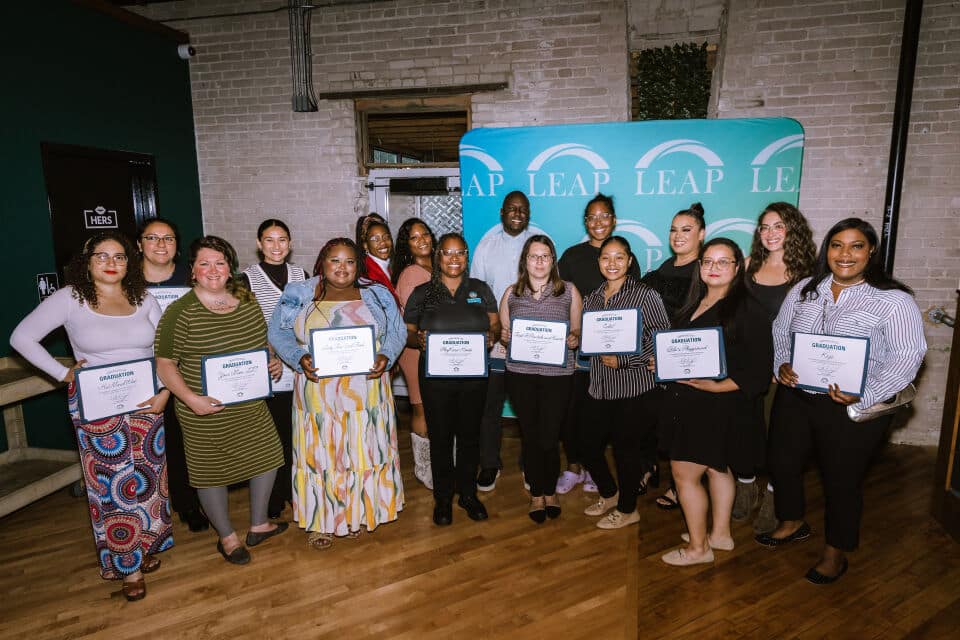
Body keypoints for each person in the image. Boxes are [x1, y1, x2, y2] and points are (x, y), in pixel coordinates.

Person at [757, 218, 926, 584]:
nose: (845, 254)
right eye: (837, 245)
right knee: (782, 462)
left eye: (856, 246)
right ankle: (792, 520)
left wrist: (865, 393)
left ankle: (836, 552)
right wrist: (782, 363)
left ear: (871, 251)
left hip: (851, 405)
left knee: (841, 479)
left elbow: (907, 357)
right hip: (797, 395)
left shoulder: (894, 301)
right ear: (827, 250)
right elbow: (781, 331)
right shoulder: (805, 289)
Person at [11, 232, 173, 601]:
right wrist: (62, 373)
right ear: (87, 262)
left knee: (147, 480)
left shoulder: (143, 297)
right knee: (112, 487)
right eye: (102, 256)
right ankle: (128, 566)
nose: (111, 263)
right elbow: (21, 338)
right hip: (98, 407)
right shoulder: (70, 298)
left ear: (129, 263)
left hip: (146, 403)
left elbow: (167, 348)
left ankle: (142, 546)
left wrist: (165, 391)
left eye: (119, 256)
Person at [155, 236, 287, 565]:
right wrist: (190, 399)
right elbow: (165, 364)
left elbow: (262, 343)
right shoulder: (179, 312)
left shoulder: (247, 301)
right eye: (204, 263)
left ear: (230, 269)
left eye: (220, 263)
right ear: (193, 271)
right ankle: (227, 537)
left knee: (268, 456)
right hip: (204, 408)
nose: (213, 270)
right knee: (210, 471)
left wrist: (272, 360)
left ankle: (259, 524)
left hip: (250, 403)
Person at [267, 238, 405, 549]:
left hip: (367, 392)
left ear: (358, 265)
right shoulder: (299, 293)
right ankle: (322, 521)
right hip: (318, 393)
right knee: (322, 455)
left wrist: (387, 355)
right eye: (335, 260)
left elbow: (397, 331)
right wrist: (297, 357)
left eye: (349, 261)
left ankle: (356, 514)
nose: (342, 268)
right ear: (322, 262)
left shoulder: (377, 293)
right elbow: (278, 331)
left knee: (362, 451)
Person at [657, 238, 773, 565]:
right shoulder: (696, 301)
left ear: (737, 268)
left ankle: (698, 549)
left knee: (684, 475)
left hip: (716, 406)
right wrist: (663, 362)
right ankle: (720, 535)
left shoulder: (749, 310)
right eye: (708, 261)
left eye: (723, 262)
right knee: (717, 468)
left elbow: (759, 371)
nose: (714, 268)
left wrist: (717, 387)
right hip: (693, 402)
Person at [404, 233, 500, 525]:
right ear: (438, 257)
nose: (454, 258)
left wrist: (491, 336)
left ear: (466, 257)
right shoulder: (422, 293)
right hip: (436, 380)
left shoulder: (480, 289)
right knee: (441, 437)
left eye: (460, 253)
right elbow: (407, 332)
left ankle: (468, 495)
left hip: (474, 377)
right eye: (447, 253)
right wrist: (418, 340)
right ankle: (443, 498)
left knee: (470, 437)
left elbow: (495, 325)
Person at [734, 203, 816, 533]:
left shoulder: (807, 275)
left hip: (784, 369)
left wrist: (784, 363)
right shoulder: (748, 265)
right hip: (745, 364)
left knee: (779, 440)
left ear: (792, 229)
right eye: (765, 227)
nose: (770, 233)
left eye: (778, 226)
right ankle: (745, 486)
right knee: (742, 431)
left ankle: (772, 494)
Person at [580, 236, 670, 529]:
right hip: (599, 386)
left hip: (634, 387)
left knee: (625, 451)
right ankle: (610, 493)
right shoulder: (592, 298)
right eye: (606, 257)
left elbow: (661, 338)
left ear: (629, 261)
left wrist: (625, 360)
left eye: (619, 257)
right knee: (586, 445)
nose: (612, 263)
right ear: (598, 262)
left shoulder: (645, 295)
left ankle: (629, 509)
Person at [557, 194, 642, 495]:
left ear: (614, 220)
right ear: (586, 222)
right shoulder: (571, 256)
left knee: (603, 415)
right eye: (592, 217)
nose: (598, 222)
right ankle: (574, 466)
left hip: (612, 354)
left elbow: (633, 306)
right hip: (578, 351)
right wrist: (572, 332)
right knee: (572, 413)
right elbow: (561, 298)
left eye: (604, 215)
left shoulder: (627, 256)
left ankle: (596, 469)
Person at [501, 235, 581, 521]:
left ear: (552, 260)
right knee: (531, 436)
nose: (539, 261)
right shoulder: (511, 293)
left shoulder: (569, 291)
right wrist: (505, 336)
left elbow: (577, 329)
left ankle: (550, 489)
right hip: (520, 376)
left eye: (545, 256)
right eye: (533, 256)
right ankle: (537, 494)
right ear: (525, 261)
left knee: (549, 436)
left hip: (557, 376)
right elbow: (504, 333)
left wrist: (574, 338)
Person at [137, 216, 209, 533]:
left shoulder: (191, 277)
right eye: (152, 238)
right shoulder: (127, 281)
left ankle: (189, 503)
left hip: (189, 371)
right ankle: (153, 510)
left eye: (168, 238)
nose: (160, 244)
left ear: (176, 246)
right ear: (139, 244)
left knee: (187, 443)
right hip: (143, 374)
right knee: (153, 445)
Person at [241, 219, 309, 519]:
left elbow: (307, 319)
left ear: (290, 243)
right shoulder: (246, 279)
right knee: (272, 434)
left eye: (282, 239)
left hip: (298, 364)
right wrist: (269, 352)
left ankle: (295, 491)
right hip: (269, 368)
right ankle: (274, 496)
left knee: (297, 432)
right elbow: (246, 325)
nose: (276, 246)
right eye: (269, 240)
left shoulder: (301, 275)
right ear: (259, 244)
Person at [470, 191, 537, 491]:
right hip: (496, 339)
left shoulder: (539, 243)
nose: (517, 213)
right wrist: (490, 328)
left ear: (528, 213)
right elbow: (476, 292)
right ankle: (489, 464)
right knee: (490, 405)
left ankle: (530, 464)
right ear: (502, 212)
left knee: (530, 407)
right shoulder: (487, 245)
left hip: (532, 340)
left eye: (522, 209)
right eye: (512, 208)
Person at [642, 203, 706, 511]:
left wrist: (672, 359)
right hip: (652, 361)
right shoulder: (663, 269)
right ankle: (649, 467)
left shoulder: (705, 272)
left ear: (701, 234)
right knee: (652, 420)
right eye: (673, 230)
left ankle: (679, 485)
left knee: (683, 426)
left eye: (686, 230)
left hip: (684, 362)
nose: (678, 236)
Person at [391, 218, 438, 490]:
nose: (422, 240)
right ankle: (424, 466)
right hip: (415, 348)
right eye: (414, 237)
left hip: (437, 347)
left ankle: (438, 460)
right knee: (421, 405)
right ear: (406, 245)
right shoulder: (411, 273)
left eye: (425, 234)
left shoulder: (437, 266)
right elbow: (414, 318)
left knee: (436, 406)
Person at [355, 213, 398, 300]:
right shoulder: (368, 277)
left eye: (386, 237)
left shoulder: (388, 266)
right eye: (375, 239)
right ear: (366, 246)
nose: (383, 243)